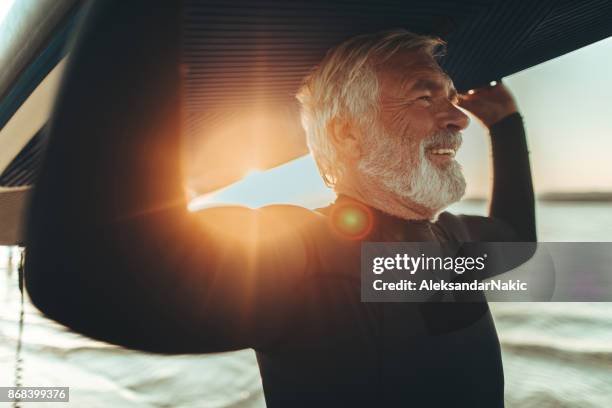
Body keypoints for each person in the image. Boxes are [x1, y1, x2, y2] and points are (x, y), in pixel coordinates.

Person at [25, 21, 534, 408]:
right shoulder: (299, 250)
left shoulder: (451, 243)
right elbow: (85, 275)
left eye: (450, 97)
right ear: (346, 133)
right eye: (425, 96)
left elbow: (518, 242)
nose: (458, 119)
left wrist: (507, 124)